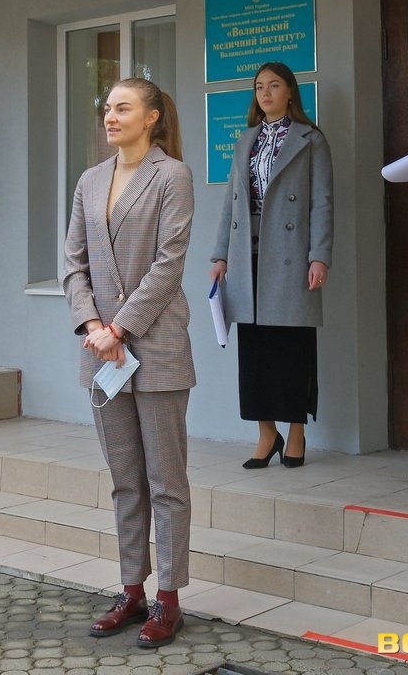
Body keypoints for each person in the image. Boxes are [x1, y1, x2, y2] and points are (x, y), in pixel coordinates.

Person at [63, 77, 194, 648]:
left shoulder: (172, 176)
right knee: (125, 481)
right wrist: (95, 327)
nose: (110, 117)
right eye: (107, 108)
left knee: (166, 482)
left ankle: (169, 598)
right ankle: (131, 590)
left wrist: (120, 328)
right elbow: (73, 263)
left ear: (152, 117)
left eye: (123, 108)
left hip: (156, 346)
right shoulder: (90, 180)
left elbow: (169, 264)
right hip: (102, 354)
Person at [211, 62, 333, 469]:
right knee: (255, 351)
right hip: (247, 255)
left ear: (290, 92)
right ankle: (266, 433)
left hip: (291, 255)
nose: (265, 93)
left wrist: (319, 256)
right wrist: (220, 255)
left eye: (274, 85)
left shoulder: (311, 139)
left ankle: (296, 431)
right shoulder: (246, 140)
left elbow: (322, 202)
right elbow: (231, 202)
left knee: (292, 348)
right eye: (259, 87)